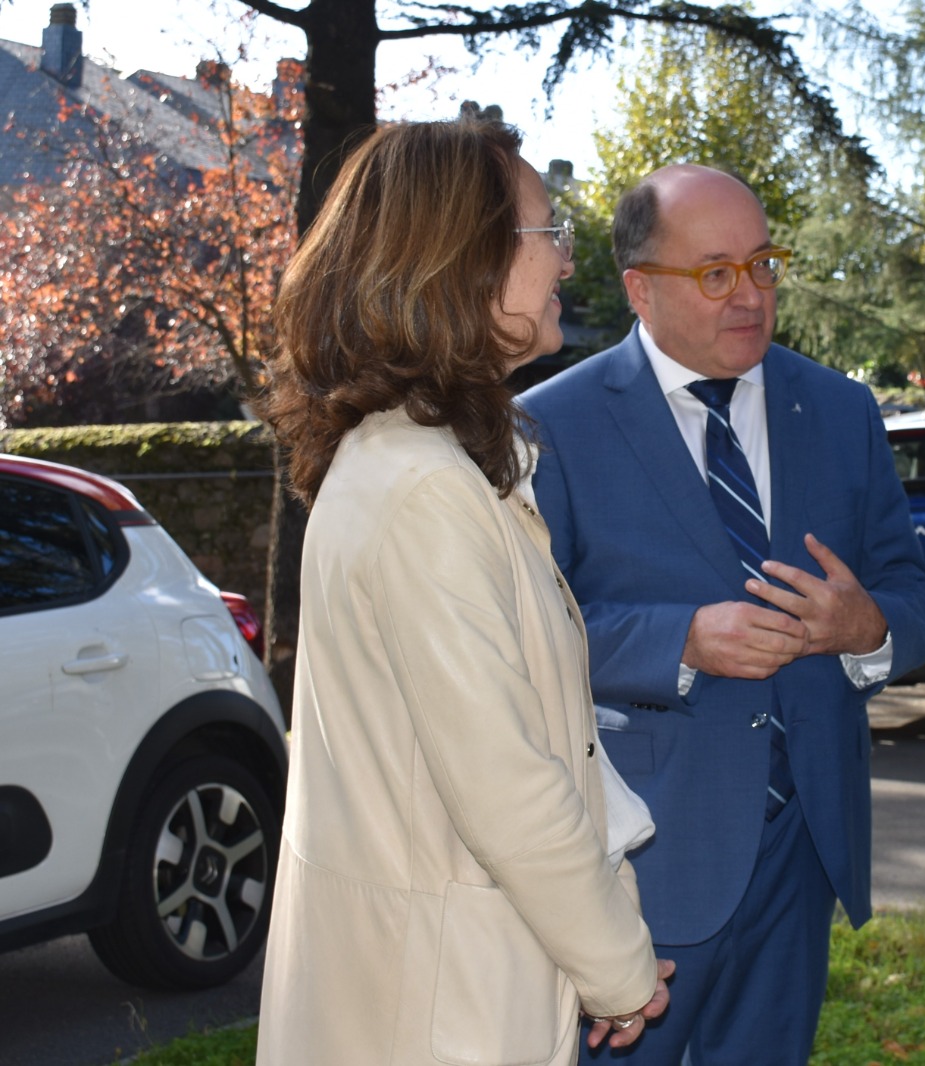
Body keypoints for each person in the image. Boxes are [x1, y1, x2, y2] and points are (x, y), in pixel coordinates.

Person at [255, 117, 671, 1066]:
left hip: (439, 983)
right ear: (461, 260)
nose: (566, 260)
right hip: (438, 1010)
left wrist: (606, 937)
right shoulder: (425, 491)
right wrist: (622, 969)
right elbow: (510, 786)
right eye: (546, 232)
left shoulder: (423, 466)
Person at [515, 164, 925, 1065]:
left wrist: (866, 628)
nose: (749, 295)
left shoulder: (840, 409)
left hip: (800, 854)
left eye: (763, 265)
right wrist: (681, 640)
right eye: (715, 273)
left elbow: (914, 594)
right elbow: (521, 636)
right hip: (641, 859)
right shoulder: (547, 428)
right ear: (639, 287)